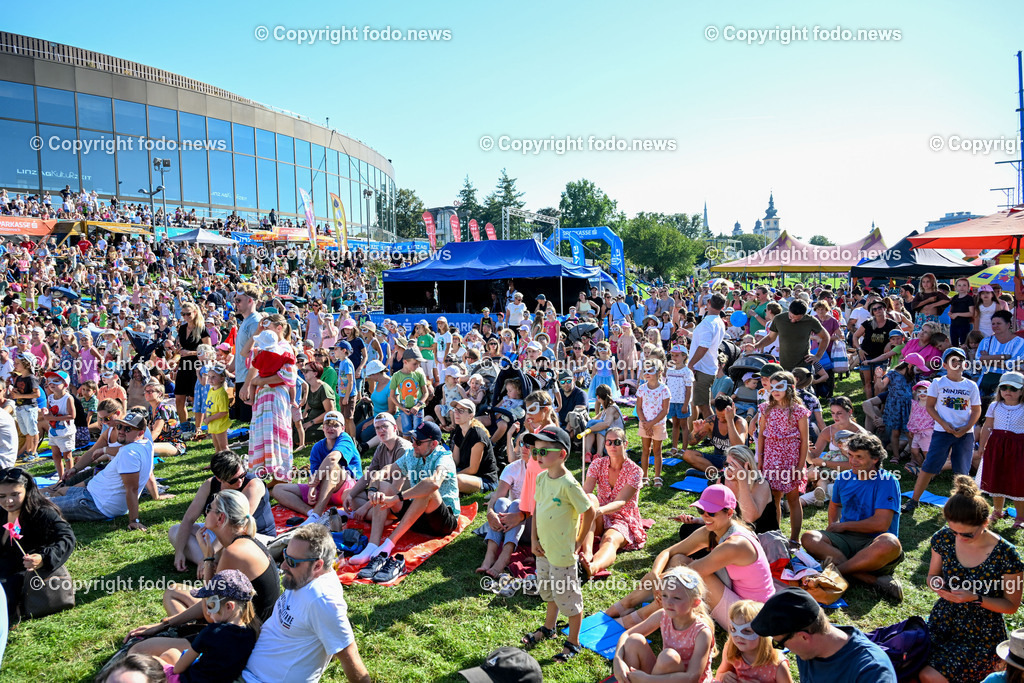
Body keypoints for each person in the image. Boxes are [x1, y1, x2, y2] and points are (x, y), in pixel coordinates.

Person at [607, 484, 774, 630]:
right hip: (735, 598)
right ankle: (626, 604)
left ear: (729, 512)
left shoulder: (736, 544)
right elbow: (668, 552)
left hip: (752, 617)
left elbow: (688, 574)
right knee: (677, 560)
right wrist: (654, 574)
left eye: (711, 512)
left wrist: (659, 582)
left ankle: (637, 616)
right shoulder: (714, 529)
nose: (705, 516)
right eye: (701, 510)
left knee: (688, 579)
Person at [128, 489, 280, 642]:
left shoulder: (233, 553)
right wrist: (167, 623)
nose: (205, 513)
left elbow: (210, 609)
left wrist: (208, 558)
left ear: (220, 518)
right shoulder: (245, 541)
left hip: (244, 637)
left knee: (143, 647)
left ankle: (190, 637)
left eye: (209, 509)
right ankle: (186, 632)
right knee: (173, 591)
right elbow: (211, 601)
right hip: (242, 619)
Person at [919, 476, 1024, 683]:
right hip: (944, 620)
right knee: (910, 661)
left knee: (928, 674)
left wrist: (974, 598)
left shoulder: (1007, 555)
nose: (958, 537)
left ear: (986, 523)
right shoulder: (943, 538)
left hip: (982, 633)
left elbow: (1011, 606)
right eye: (953, 531)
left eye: (966, 534)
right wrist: (937, 585)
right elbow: (932, 576)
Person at [241, 525, 371, 683]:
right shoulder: (301, 579)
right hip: (246, 671)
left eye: (291, 562)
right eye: (284, 556)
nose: (283, 566)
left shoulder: (322, 600)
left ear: (317, 565)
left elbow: (350, 656)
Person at [520, 425, 595, 664]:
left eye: (544, 451)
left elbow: (590, 511)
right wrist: (533, 541)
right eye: (535, 452)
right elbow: (535, 510)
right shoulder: (541, 478)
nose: (538, 456)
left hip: (563, 554)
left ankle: (573, 642)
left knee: (569, 599)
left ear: (562, 454)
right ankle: (549, 628)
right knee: (549, 592)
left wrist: (579, 542)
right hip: (543, 550)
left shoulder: (568, 484)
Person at [800, 434, 905, 602]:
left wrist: (842, 526)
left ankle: (834, 571)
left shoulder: (887, 481)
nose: (853, 461)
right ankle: (870, 579)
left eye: (859, 457)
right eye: (850, 455)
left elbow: (881, 524)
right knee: (809, 537)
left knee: (890, 543)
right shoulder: (844, 477)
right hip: (847, 539)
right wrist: (834, 525)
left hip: (874, 543)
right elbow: (835, 506)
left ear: (875, 459)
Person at [348, 421, 460, 568]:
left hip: (442, 523)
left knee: (427, 489)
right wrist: (375, 484)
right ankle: (372, 546)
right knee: (384, 486)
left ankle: (388, 545)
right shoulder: (412, 454)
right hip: (418, 516)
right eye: (413, 439)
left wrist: (396, 498)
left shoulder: (444, 457)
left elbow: (433, 483)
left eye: (418, 441)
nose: (413, 443)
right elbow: (388, 468)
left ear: (433, 444)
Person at [132, 569, 260, 683]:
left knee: (151, 660)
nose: (208, 613)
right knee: (170, 654)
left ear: (229, 606)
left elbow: (178, 669)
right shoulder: (252, 633)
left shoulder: (211, 632)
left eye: (210, 606)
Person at [751, 587, 897, 682]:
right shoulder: (809, 647)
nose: (781, 648)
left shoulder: (872, 672)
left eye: (780, 644)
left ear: (803, 637)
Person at [903, 348, 982, 514]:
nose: (957, 364)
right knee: (929, 466)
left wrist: (966, 428)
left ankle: (964, 504)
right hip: (941, 432)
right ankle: (914, 500)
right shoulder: (938, 383)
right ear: (945, 365)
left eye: (960, 360)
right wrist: (944, 425)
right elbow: (930, 407)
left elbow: (976, 410)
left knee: (963, 471)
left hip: (964, 434)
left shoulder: (971, 385)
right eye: (953, 361)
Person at [169, 449, 275, 572]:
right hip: (223, 534)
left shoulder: (253, 485)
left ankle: (210, 563)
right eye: (233, 480)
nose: (240, 481)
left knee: (229, 549)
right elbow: (189, 518)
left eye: (242, 475)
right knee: (175, 531)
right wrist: (179, 552)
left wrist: (208, 555)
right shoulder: (210, 484)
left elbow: (236, 527)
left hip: (252, 535)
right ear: (219, 478)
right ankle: (212, 564)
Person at [47, 410, 154, 529]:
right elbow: (115, 450)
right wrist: (76, 468)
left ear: (140, 433)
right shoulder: (146, 444)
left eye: (128, 429)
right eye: (120, 426)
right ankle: (59, 514)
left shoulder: (129, 453)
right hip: (92, 493)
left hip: (96, 504)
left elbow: (132, 489)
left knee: (40, 507)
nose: (121, 431)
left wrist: (134, 520)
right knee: (60, 491)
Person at [612, 566, 715, 683]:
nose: (669, 603)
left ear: (695, 602)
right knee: (634, 640)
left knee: (668, 657)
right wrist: (618, 659)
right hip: (662, 676)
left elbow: (692, 677)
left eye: (676, 598)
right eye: (665, 595)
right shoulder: (663, 615)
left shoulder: (702, 632)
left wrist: (648, 679)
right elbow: (627, 634)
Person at [0, 468, 76, 626]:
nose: (9, 501)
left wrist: (43, 558)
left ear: (26, 491)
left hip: (23, 577)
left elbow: (67, 538)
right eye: (2, 496)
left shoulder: (42, 512)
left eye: (15, 494)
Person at [273, 411, 363, 524]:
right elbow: (313, 473)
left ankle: (316, 515)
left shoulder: (345, 439)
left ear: (343, 428)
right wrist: (312, 488)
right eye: (328, 424)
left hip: (345, 489)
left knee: (333, 468)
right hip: (323, 488)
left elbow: (332, 459)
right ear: (323, 427)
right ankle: (310, 513)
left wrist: (315, 479)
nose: (331, 428)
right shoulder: (317, 446)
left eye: (335, 425)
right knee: (278, 489)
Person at [579, 426, 645, 577]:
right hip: (600, 514)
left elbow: (621, 502)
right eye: (609, 442)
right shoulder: (597, 464)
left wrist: (598, 511)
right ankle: (587, 553)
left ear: (625, 444)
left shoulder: (635, 471)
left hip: (622, 516)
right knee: (589, 500)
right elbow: (586, 492)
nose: (612, 446)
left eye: (617, 442)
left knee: (609, 539)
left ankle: (592, 568)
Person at [757, 371, 810, 546]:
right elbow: (762, 436)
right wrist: (760, 460)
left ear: (790, 388)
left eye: (779, 387)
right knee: (774, 498)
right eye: (772, 387)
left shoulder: (799, 411)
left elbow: (804, 440)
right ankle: (776, 536)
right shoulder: (765, 408)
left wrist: (800, 465)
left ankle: (794, 539)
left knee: (793, 498)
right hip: (772, 457)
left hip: (791, 457)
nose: (775, 391)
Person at [343, 413, 411, 521]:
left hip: (399, 500)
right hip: (380, 495)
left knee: (380, 502)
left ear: (394, 428)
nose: (381, 430)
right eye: (378, 428)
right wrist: (350, 496)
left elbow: (394, 490)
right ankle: (370, 515)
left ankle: (373, 516)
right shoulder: (381, 446)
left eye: (385, 426)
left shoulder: (403, 449)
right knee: (347, 494)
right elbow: (369, 475)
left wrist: (365, 507)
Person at [714, 599, 794, 682]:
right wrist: (723, 676)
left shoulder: (777, 665)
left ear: (763, 633)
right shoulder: (732, 650)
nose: (739, 637)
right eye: (734, 629)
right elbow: (720, 674)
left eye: (747, 631)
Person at [755, 300, 830, 373]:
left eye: (797, 319)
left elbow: (825, 337)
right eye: (791, 317)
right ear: (789, 310)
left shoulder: (811, 321)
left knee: (804, 385)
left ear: (804, 315)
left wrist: (818, 356)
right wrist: (756, 346)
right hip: (784, 366)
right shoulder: (779, 319)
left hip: (804, 366)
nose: (793, 321)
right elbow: (770, 338)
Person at [682, 395, 748, 476]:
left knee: (738, 466)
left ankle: (709, 473)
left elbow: (739, 446)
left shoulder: (740, 422)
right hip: (718, 458)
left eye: (724, 417)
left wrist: (730, 421)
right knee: (687, 454)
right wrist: (695, 432)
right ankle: (718, 473)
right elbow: (691, 442)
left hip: (736, 460)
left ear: (733, 409)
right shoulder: (711, 421)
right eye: (718, 416)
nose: (721, 420)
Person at [687, 293, 726, 421]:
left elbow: (704, 346)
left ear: (709, 303)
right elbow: (703, 341)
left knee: (704, 406)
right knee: (702, 404)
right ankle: (710, 433)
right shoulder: (718, 322)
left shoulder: (707, 323)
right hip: (708, 366)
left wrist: (691, 364)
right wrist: (687, 333)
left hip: (702, 368)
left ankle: (712, 435)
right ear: (723, 307)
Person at [449, 398, 498, 494]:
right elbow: (455, 461)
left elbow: (473, 469)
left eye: (461, 411)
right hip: (464, 472)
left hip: (485, 479)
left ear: (471, 415)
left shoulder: (477, 434)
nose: (456, 413)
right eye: (456, 410)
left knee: (457, 480)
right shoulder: (459, 430)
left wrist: (451, 475)